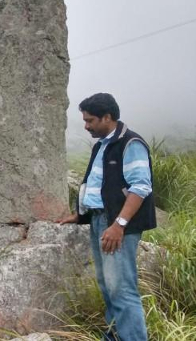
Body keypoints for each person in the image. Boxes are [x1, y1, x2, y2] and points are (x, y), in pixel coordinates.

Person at [58, 93, 155, 341]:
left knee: (121, 289)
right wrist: (80, 216)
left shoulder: (130, 143)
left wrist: (119, 225)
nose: (86, 126)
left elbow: (141, 187)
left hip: (117, 225)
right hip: (100, 221)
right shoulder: (103, 145)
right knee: (107, 286)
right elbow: (99, 187)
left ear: (107, 117)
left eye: (90, 121)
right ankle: (115, 335)